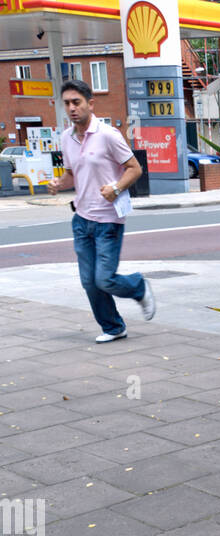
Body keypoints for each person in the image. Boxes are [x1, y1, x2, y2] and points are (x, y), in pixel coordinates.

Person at [49, 79, 155, 343]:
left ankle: (138, 286)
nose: (72, 108)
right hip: (81, 220)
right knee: (89, 282)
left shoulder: (108, 135)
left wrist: (116, 189)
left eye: (77, 102)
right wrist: (59, 183)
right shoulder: (66, 137)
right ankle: (113, 327)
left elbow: (135, 168)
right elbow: (73, 173)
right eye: (67, 104)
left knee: (104, 280)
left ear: (90, 104)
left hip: (108, 219)